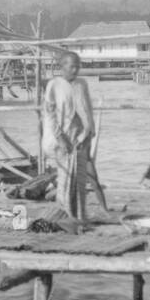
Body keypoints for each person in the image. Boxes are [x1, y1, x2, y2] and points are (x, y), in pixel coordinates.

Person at [41, 51, 106, 217]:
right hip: (62, 140)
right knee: (65, 180)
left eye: (78, 66)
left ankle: (80, 216)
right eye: (71, 66)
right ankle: (65, 215)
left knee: (81, 181)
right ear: (62, 67)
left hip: (81, 138)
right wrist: (60, 137)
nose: (75, 70)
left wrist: (89, 132)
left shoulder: (81, 84)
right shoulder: (54, 85)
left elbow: (87, 109)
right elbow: (50, 114)